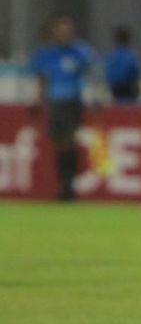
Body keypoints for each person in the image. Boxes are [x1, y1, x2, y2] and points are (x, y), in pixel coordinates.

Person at [29, 14, 94, 201]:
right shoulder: (47, 54)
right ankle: (64, 184)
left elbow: (91, 74)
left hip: (72, 101)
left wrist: (93, 97)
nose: (65, 33)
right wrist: (38, 101)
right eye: (61, 29)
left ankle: (69, 185)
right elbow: (42, 79)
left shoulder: (80, 52)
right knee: (58, 143)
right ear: (54, 32)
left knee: (69, 141)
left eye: (68, 29)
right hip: (55, 102)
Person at [105, 26, 141, 104]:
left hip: (116, 89)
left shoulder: (112, 56)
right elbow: (136, 73)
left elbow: (109, 75)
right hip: (128, 89)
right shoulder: (131, 56)